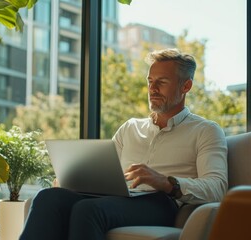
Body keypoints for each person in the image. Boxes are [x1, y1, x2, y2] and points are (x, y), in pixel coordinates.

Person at [19, 48, 228, 240]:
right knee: (49, 197)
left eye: (162, 82)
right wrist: (73, 177)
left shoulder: (206, 131)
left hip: (162, 203)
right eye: (150, 81)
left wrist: (166, 182)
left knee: (88, 210)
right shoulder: (130, 128)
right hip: (118, 198)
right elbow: (101, 170)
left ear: (186, 86)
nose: (152, 89)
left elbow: (217, 188)